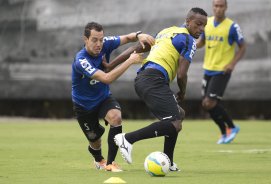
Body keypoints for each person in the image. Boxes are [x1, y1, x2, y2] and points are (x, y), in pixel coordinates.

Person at [113, 8, 208, 171]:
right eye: (198, 24)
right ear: (188, 21)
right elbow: (181, 74)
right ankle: (127, 139)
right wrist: (183, 92)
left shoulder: (166, 32)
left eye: (204, 26)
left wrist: (111, 64)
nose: (200, 29)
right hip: (153, 80)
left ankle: (169, 161)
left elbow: (136, 48)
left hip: (145, 79)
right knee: (175, 123)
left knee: (179, 115)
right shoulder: (188, 39)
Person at [71, 22, 154, 172]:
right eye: (94, 40)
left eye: (101, 39)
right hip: (84, 105)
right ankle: (98, 158)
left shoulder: (105, 44)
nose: (99, 44)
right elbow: (107, 78)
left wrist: (138, 35)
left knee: (116, 117)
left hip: (103, 98)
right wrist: (130, 61)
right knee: (95, 140)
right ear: (86, 39)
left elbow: (128, 38)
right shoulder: (81, 61)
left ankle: (110, 163)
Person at [196, 0, 246, 144]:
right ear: (212, 7)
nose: (218, 9)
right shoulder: (207, 23)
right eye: (215, 6)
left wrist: (232, 64)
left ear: (226, 7)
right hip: (208, 69)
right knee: (206, 104)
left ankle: (231, 127)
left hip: (222, 70)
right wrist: (191, 44)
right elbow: (202, 42)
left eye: (221, 6)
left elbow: (243, 47)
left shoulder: (232, 26)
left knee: (209, 102)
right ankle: (225, 132)